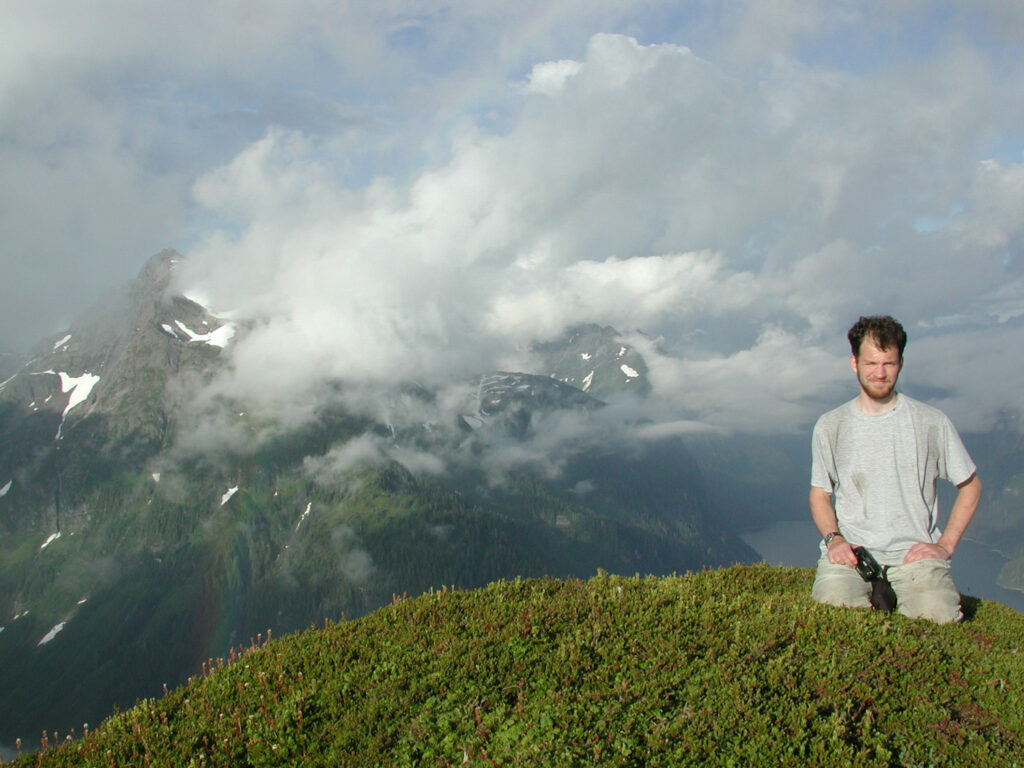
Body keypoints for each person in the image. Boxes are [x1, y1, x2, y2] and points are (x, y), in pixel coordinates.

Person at [809, 315, 982, 623]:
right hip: (853, 553)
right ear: (854, 363)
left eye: (888, 364)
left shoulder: (931, 422)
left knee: (938, 617)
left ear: (900, 362)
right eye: (871, 363)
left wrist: (944, 545)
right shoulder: (831, 425)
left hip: (914, 555)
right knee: (833, 610)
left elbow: (971, 486)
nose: (879, 373)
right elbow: (820, 494)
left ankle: (892, 597)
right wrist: (834, 539)